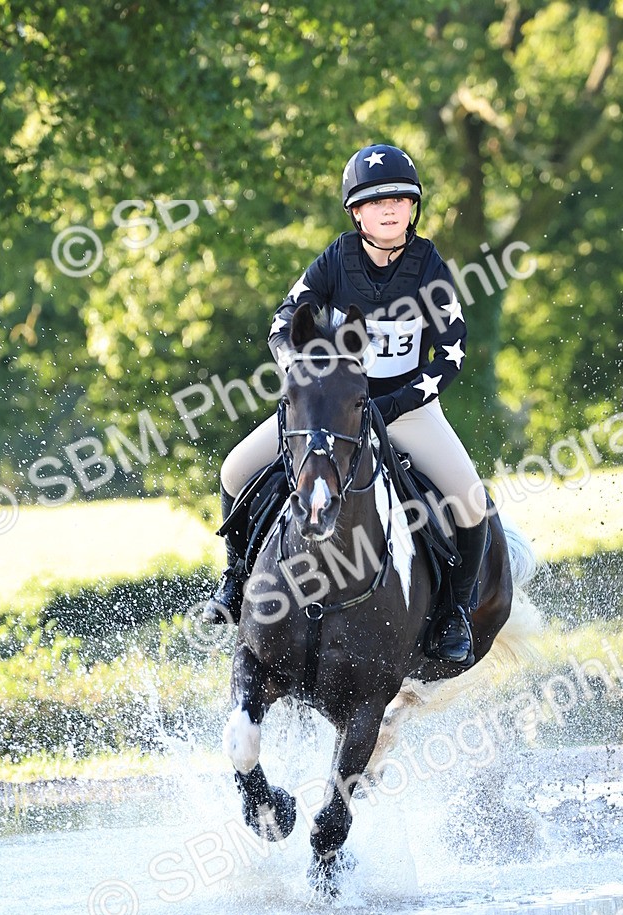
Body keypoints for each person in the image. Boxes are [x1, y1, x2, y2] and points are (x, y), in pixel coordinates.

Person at [204, 143, 490, 663]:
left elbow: (452, 352)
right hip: (329, 412)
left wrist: (398, 402)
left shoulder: (429, 266)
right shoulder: (336, 258)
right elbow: (282, 320)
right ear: (356, 213)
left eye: (400, 200)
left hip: (406, 409)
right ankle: (234, 580)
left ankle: (453, 612)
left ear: (413, 209)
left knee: (470, 500)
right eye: (375, 201)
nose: (389, 209)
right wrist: (303, 375)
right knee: (233, 470)